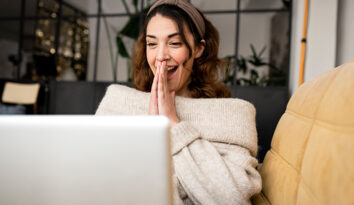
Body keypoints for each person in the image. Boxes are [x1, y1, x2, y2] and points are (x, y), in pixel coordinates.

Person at [96, 0, 262, 204]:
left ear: (199, 48)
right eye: (152, 43)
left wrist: (173, 124)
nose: (160, 57)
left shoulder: (234, 114)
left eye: (175, 43)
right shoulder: (118, 101)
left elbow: (233, 197)